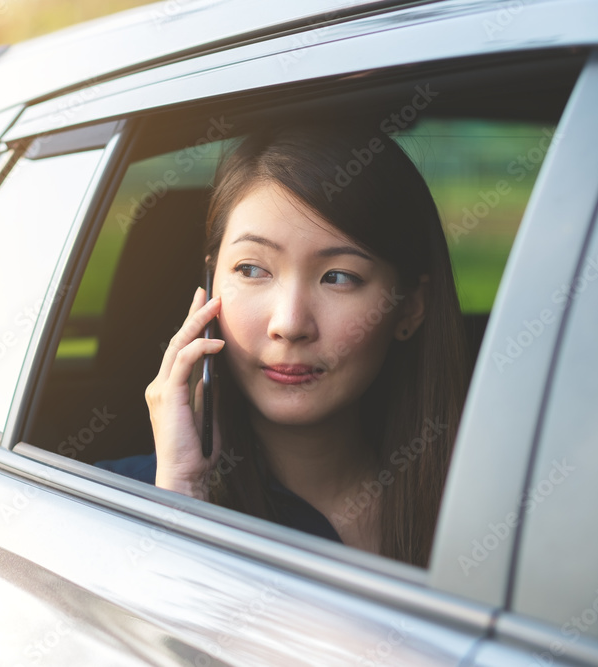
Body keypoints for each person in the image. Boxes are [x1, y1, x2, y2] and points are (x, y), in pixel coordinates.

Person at [98, 123, 469, 567]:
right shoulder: (107, 502)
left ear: (409, 308)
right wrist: (182, 492)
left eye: (339, 277)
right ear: (209, 284)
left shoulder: (489, 512)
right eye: (252, 270)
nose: (290, 324)